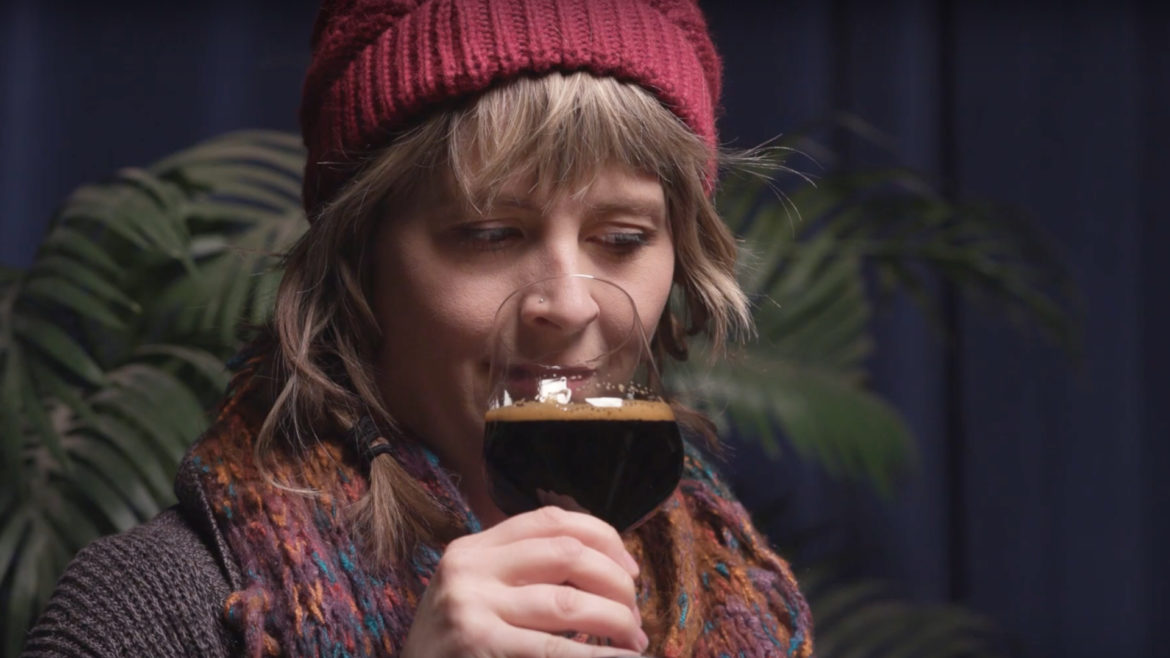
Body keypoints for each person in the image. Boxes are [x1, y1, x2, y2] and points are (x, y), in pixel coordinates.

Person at [24, 1, 814, 656]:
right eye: (490, 233)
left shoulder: (738, 598)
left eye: (624, 239)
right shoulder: (154, 610)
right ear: (358, 258)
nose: (570, 305)